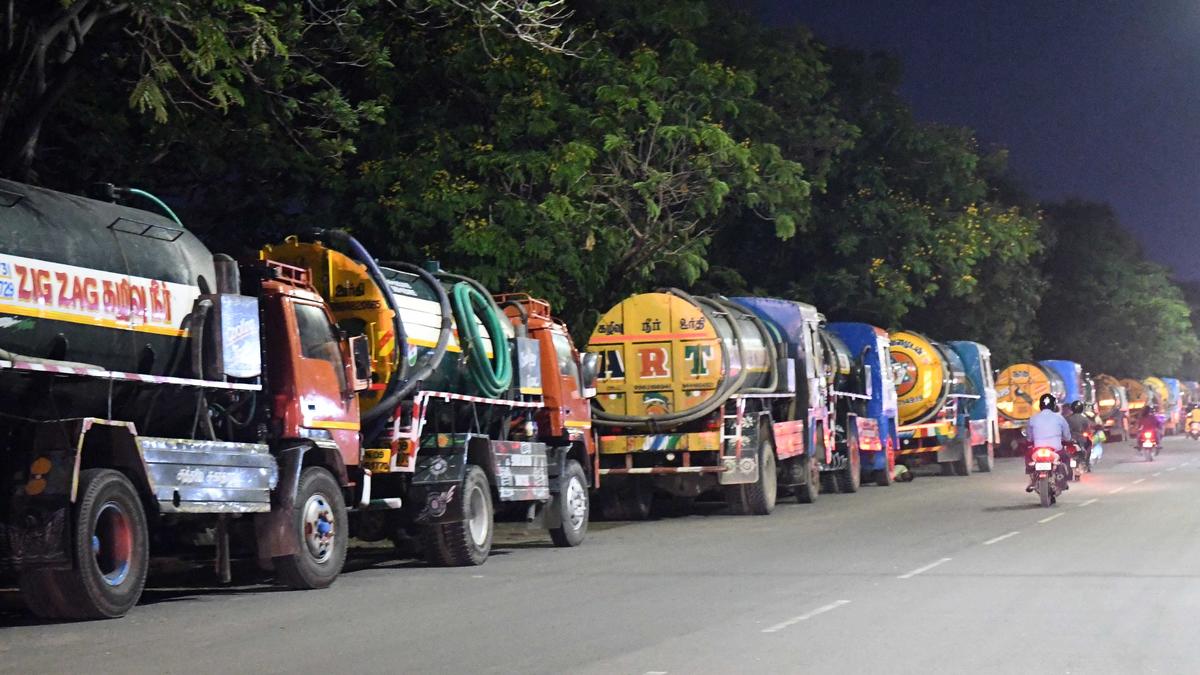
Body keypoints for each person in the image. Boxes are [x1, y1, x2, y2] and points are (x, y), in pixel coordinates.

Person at [1025, 393, 1072, 491]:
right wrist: (1067, 440)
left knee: (1028, 456)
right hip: (1056, 449)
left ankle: (1032, 478)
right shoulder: (1059, 418)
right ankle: (1065, 480)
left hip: (1037, 449)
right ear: (1054, 405)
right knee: (1066, 458)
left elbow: (1029, 437)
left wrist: (1031, 442)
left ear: (1040, 405)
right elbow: (1067, 435)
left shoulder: (1033, 418)